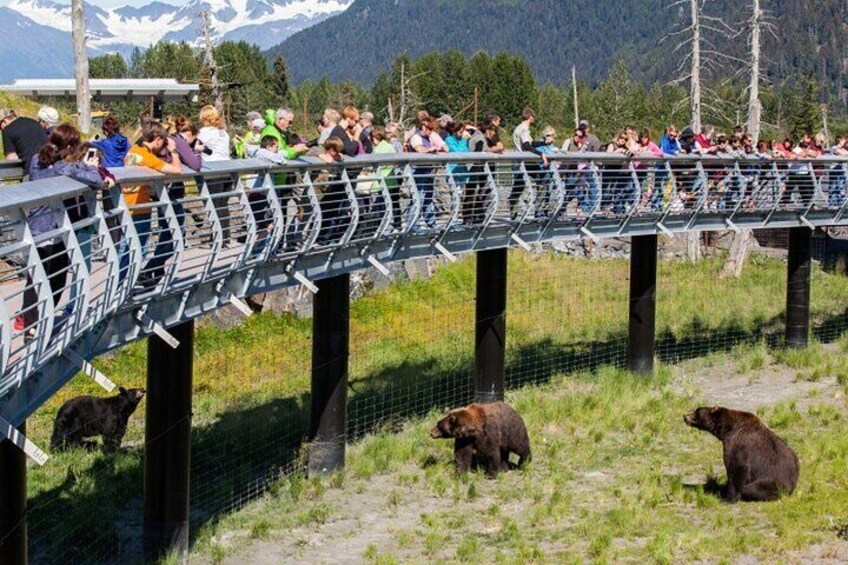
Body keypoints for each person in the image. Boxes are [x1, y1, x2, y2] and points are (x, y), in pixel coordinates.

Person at [17, 124, 114, 336]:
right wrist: (89, 166)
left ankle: (32, 322)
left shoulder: (37, 159)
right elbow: (95, 179)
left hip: (39, 225)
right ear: (70, 146)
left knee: (39, 276)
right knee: (53, 277)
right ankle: (36, 323)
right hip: (52, 226)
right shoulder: (61, 167)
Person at [122, 121, 183, 288]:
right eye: (163, 141)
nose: (163, 145)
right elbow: (177, 170)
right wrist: (174, 151)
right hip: (139, 208)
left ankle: (121, 287)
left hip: (127, 205)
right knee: (136, 250)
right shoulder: (147, 158)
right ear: (157, 139)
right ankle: (122, 288)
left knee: (127, 249)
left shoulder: (134, 151)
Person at [197, 105, 234, 241]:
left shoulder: (204, 132)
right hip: (227, 171)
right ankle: (225, 236)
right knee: (223, 204)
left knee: (213, 205)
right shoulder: (223, 133)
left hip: (212, 172)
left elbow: (195, 146)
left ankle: (218, 236)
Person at [510, 108, 548, 217]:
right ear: (530, 117)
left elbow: (531, 143)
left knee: (519, 185)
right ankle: (538, 211)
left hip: (520, 161)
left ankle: (514, 212)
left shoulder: (520, 128)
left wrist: (544, 143)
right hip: (523, 162)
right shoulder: (524, 129)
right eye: (533, 117)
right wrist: (541, 154)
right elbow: (527, 146)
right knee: (541, 179)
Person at [407, 116, 440, 229]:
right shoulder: (416, 137)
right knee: (418, 198)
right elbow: (419, 149)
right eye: (429, 128)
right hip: (418, 171)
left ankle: (431, 223)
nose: (431, 131)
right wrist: (429, 150)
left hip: (426, 171)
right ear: (423, 126)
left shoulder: (426, 138)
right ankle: (413, 226)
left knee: (428, 197)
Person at [0, 108, 48, 174]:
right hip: (49, 167)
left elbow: (12, 160)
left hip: (30, 171)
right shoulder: (34, 122)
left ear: (4, 121)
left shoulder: (7, 130)